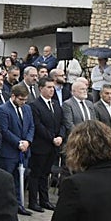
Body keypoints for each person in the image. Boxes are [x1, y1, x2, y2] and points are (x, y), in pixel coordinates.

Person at [0, 83, 34, 214]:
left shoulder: (27, 108)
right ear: (13, 96)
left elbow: (31, 126)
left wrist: (28, 141)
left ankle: (19, 205)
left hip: (24, 151)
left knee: (20, 180)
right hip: (9, 152)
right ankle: (5, 207)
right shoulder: (3, 109)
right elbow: (4, 130)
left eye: (25, 100)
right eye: (21, 99)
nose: (23, 102)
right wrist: (18, 143)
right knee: (7, 181)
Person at [28, 81, 64, 212]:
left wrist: (60, 136)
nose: (51, 90)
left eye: (53, 87)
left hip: (53, 146)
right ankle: (33, 201)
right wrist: (52, 138)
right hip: (41, 145)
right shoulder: (35, 105)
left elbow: (62, 123)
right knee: (35, 174)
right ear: (41, 88)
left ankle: (44, 200)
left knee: (45, 174)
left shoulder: (56, 104)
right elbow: (38, 125)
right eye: (48, 87)